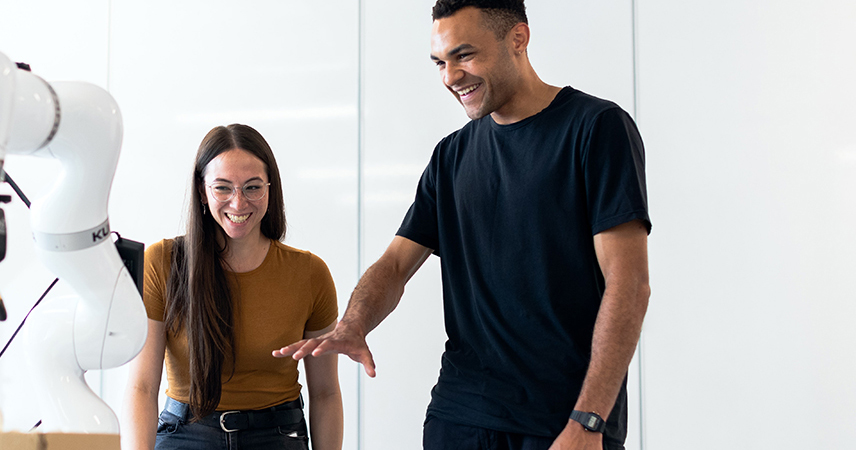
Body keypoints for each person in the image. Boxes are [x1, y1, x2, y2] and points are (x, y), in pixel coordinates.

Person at [275, 1, 650, 449]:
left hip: (562, 420)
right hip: (459, 416)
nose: (451, 77)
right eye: (440, 62)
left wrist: (589, 422)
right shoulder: (450, 156)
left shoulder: (595, 129)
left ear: (518, 39)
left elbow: (629, 286)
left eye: (464, 55)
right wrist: (354, 324)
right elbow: (395, 265)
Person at [123, 124, 343, 450]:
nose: (238, 203)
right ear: (202, 190)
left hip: (278, 434)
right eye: (223, 188)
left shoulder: (310, 274)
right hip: (186, 432)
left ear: (271, 188)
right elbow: (141, 387)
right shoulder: (161, 263)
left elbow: (325, 393)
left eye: (253, 187)